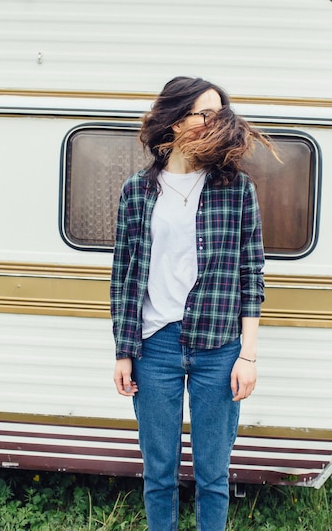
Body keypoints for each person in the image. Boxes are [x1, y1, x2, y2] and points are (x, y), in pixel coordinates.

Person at [111, 76, 270, 531]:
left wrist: (248, 354)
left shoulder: (235, 189)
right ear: (176, 119)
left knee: (212, 475)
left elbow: (251, 273)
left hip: (218, 348)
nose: (213, 122)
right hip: (155, 346)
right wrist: (123, 352)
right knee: (158, 474)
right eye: (204, 113)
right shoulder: (137, 191)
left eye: (220, 114)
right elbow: (123, 276)